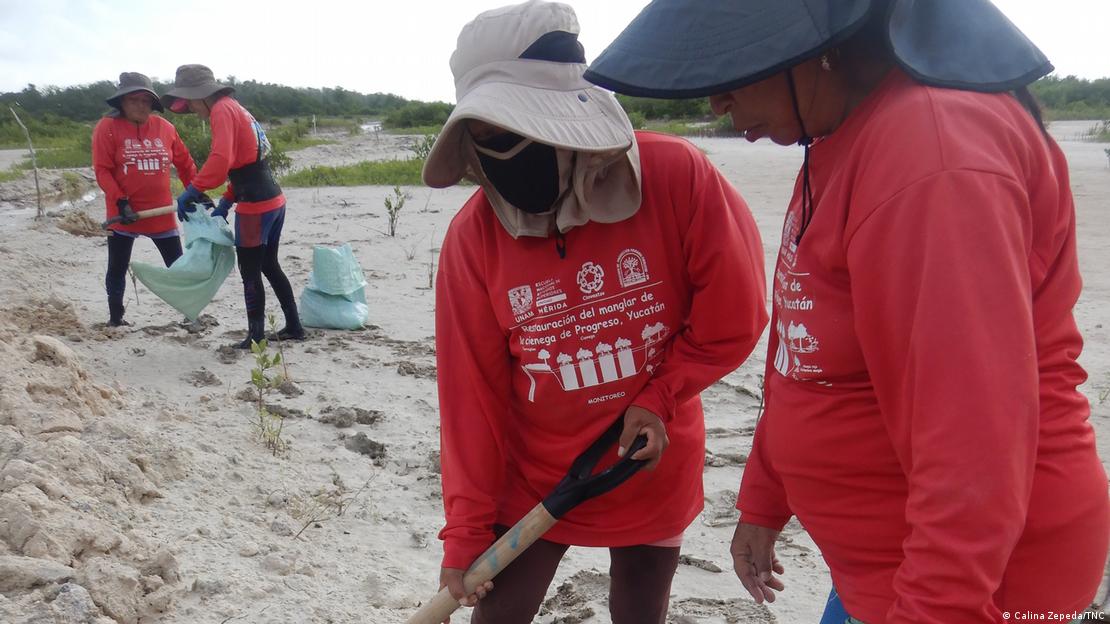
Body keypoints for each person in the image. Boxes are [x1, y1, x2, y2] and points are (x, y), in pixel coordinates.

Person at [586, 1, 1110, 623]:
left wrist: (935, 607)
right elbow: (803, 350)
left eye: (728, 75)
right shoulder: (845, 135)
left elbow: (974, 430)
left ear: (816, 48)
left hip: (970, 582)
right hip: (883, 566)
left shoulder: (930, 151)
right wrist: (764, 500)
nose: (717, 105)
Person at [424, 2, 769, 622]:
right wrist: (465, 530)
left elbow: (734, 318)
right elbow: (469, 399)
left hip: (647, 460)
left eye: (520, 131)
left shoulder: (675, 177)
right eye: (488, 137)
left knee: (640, 609)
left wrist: (661, 395)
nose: (507, 154)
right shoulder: (473, 240)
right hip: (531, 478)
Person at [160, 64, 304, 348]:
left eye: (189, 101)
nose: (189, 108)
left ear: (199, 95)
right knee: (270, 265)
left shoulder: (221, 111)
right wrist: (226, 201)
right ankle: (295, 326)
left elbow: (220, 158)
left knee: (250, 271)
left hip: (255, 206)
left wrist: (193, 190)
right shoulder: (236, 108)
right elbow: (247, 162)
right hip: (273, 199)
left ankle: (256, 336)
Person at [92, 72, 197, 327]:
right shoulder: (107, 128)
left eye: (145, 100)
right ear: (122, 102)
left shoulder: (166, 128)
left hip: (160, 212)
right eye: (133, 100)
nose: (140, 105)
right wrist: (120, 201)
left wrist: (195, 191)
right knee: (117, 266)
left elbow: (185, 165)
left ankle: (191, 315)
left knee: (177, 266)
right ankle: (116, 318)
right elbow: (102, 169)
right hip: (123, 212)